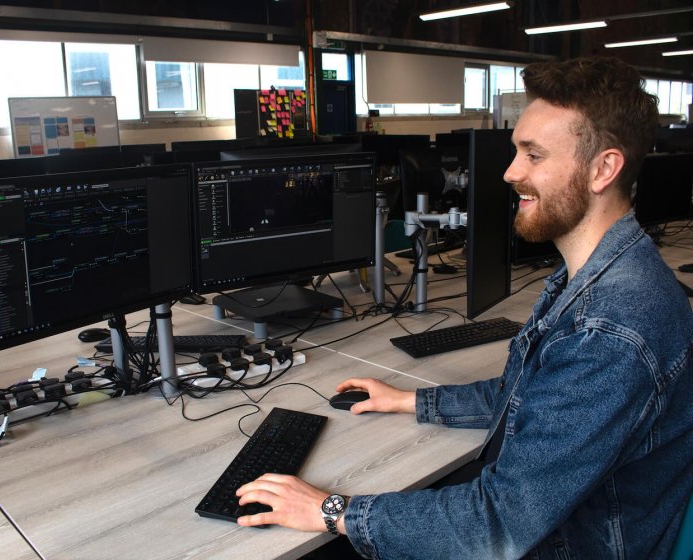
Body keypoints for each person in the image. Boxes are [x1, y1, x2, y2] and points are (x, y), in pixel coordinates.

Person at [236, 56, 693, 559]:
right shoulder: (598, 278)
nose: (509, 172)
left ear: (603, 168)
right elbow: (530, 398)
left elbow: (497, 526)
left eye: (533, 155)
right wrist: (409, 401)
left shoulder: (610, 328)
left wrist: (330, 510)